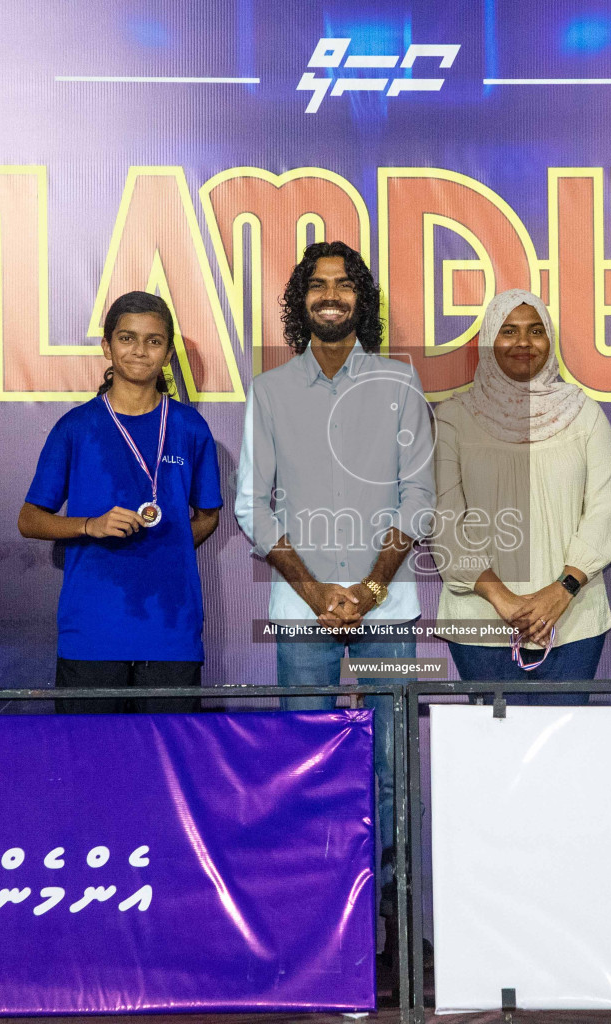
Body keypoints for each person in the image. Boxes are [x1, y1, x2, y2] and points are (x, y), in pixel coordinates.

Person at [233, 240, 434, 883]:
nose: (330, 294)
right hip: (301, 613)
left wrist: (370, 589)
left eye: (344, 284)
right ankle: (316, 911)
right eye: (318, 284)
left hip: (390, 608)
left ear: (360, 299)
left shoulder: (399, 383)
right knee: (305, 764)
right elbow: (252, 506)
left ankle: (393, 918)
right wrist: (318, 594)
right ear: (301, 299)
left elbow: (420, 497)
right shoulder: (269, 391)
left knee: (393, 765)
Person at [19, 290, 222, 713]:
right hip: (93, 630)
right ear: (107, 347)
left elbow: (208, 516)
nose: (140, 350)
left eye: (153, 341)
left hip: (172, 630)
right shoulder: (76, 426)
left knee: (167, 765)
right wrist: (89, 525)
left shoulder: (190, 427)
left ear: (167, 353)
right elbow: (30, 519)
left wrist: (170, 545)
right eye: (127, 338)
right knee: (92, 768)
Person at [432, 289, 611, 702]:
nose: (523, 342)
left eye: (536, 331)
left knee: (562, 756)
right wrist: (504, 600)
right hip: (481, 620)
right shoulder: (454, 417)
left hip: (573, 619)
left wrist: (561, 591)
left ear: (549, 340)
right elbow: (444, 520)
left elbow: (604, 510)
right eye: (508, 331)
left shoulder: (583, 412)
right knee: (493, 753)